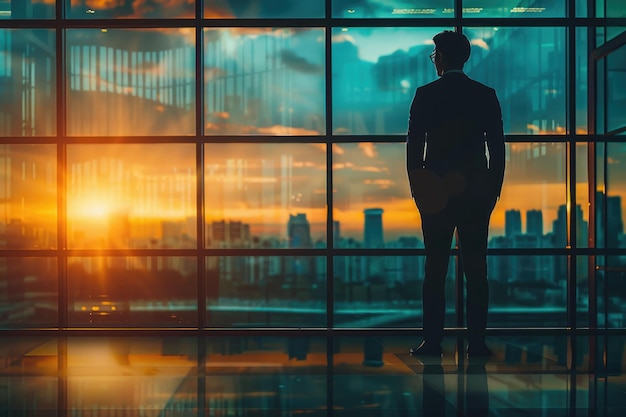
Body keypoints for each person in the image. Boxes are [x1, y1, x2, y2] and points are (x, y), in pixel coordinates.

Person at [406, 30, 505, 358]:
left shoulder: (424, 94)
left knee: (434, 271)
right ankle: (477, 343)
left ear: (443, 57)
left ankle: (432, 342)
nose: (434, 61)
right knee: (477, 271)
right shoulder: (485, 94)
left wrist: (419, 192)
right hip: (477, 195)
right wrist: (492, 192)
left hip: (435, 197)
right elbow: (497, 150)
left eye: (435, 55)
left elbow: (414, 150)